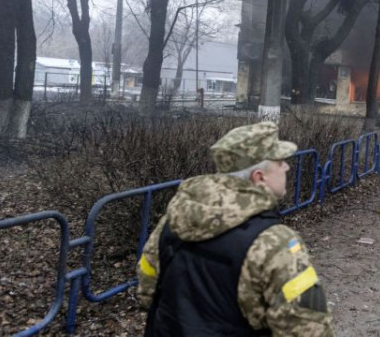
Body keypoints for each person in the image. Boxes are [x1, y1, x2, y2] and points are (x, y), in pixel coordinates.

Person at [137, 121, 333, 336]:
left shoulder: (174, 220)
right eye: (280, 162)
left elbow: (147, 287)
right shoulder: (274, 242)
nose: (286, 167)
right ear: (259, 177)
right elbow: (307, 328)